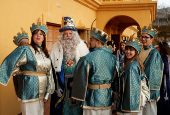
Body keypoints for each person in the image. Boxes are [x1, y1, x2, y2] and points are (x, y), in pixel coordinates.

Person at [0, 19, 55, 115]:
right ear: (32, 36)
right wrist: (23, 74)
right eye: (36, 33)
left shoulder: (46, 54)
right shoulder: (25, 50)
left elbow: (49, 74)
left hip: (42, 93)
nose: (38, 35)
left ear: (44, 38)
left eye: (41, 34)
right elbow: (11, 62)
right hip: (29, 90)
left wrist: (47, 93)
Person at [71, 27, 119, 115]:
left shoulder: (88, 58)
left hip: (91, 98)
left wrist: (78, 96)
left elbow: (81, 78)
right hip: (107, 98)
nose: (89, 41)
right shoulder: (113, 58)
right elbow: (116, 78)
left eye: (91, 39)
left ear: (98, 42)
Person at [50, 16, 89, 115]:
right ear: (62, 35)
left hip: (78, 83)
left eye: (70, 33)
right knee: (64, 108)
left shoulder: (81, 45)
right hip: (62, 83)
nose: (68, 36)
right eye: (66, 33)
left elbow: (86, 66)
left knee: (77, 108)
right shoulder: (56, 46)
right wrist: (56, 86)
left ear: (74, 34)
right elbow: (53, 68)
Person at [116, 36, 150, 115]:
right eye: (127, 49)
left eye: (131, 50)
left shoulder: (132, 67)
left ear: (136, 52)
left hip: (130, 107)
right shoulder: (133, 63)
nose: (128, 52)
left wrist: (131, 109)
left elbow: (132, 89)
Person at [138, 26, 163, 115]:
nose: (143, 39)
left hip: (148, 90)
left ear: (152, 39)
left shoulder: (154, 53)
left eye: (146, 37)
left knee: (149, 112)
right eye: (142, 37)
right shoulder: (140, 51)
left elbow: (152, 73)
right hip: (140, 88)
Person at [157, 42, 170, 115]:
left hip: (164, 81)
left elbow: (166, 70)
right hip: (165, 80)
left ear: (162, 48)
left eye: (158, 47)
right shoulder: (165, 56)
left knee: (164, 98)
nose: (157, 48)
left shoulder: (164, 57)